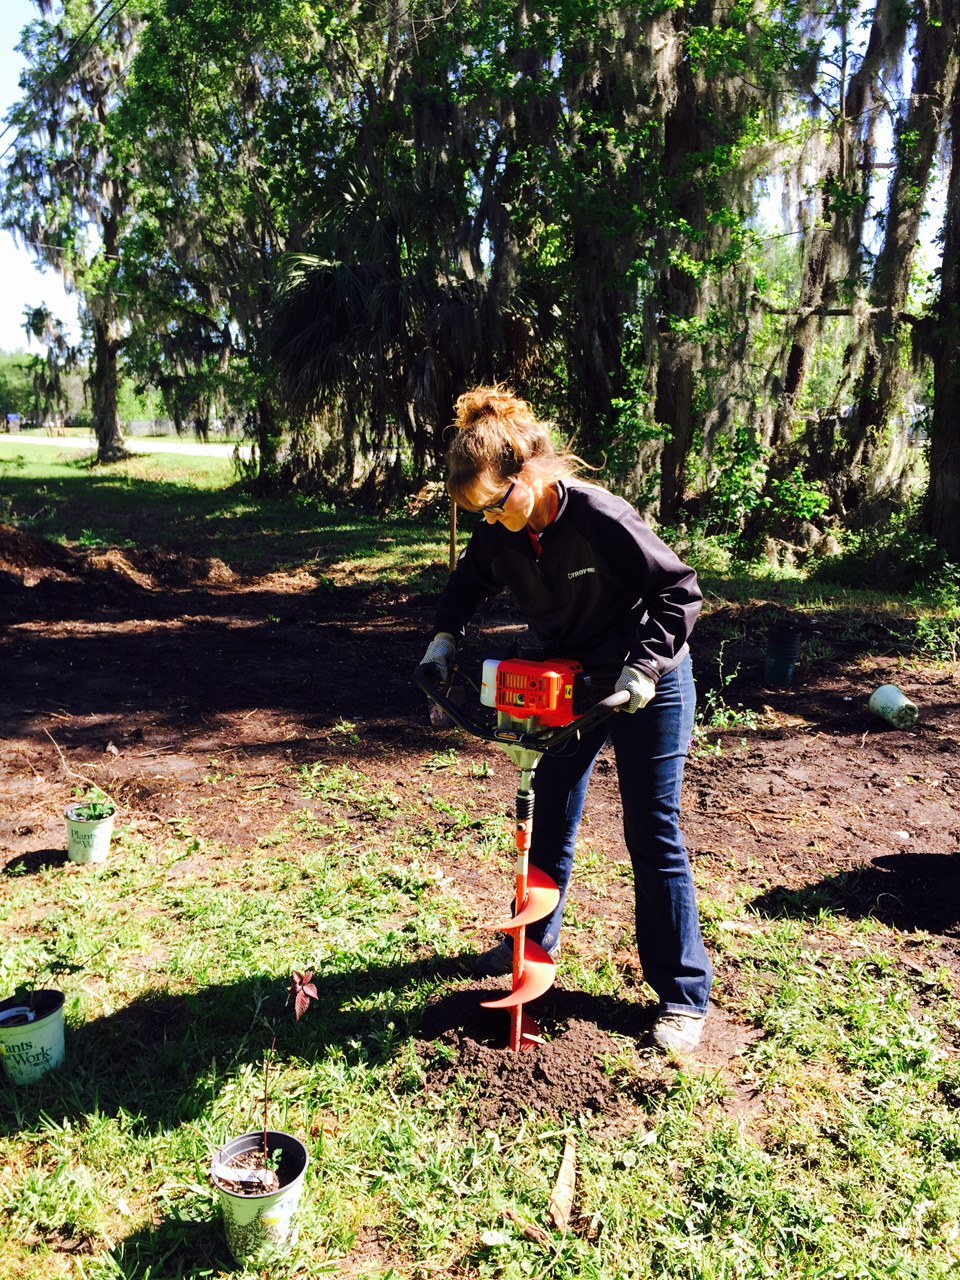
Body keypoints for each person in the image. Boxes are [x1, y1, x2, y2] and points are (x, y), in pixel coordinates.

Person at [419, 385, 712, 1053]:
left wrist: (644, 669)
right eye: (477, 514)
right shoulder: (500, 530)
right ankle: (528, 951)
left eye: (496, 503)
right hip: (565, 682)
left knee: (652, 830)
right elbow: (468, 580)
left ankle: (683, 995)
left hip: (648, 679)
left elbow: (678, 589)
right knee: (547, 817)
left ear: (528, 472)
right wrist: (444, 639)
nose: (490, 521)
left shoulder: (599, 517)